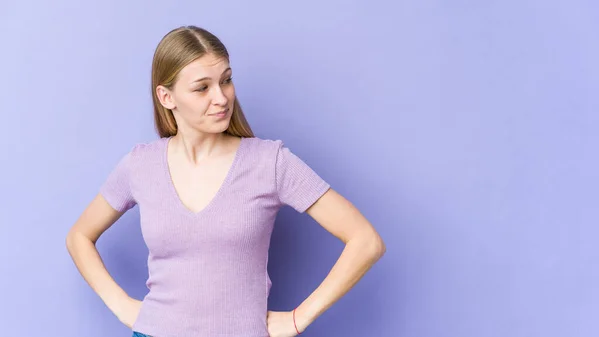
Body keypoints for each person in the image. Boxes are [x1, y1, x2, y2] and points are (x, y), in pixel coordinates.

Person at [66, 25, 386, 337]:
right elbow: (79, 236)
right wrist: (121, 305)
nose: (221, 98)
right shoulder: (140, 165)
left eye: (226, 81)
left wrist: (298, 319)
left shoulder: (269, 162)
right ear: (166, 97)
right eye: (202, 87)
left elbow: (365, 241)